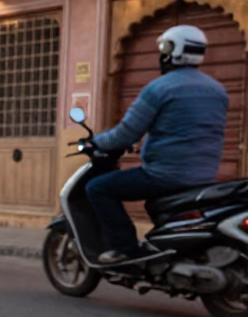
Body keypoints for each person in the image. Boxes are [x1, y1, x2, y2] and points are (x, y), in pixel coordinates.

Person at [86, 25, 229, 264]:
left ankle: (125, 248)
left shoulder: (159, 88)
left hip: (164, 175)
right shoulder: (218, 90)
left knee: (98, 188)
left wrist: (96, 142)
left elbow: (125, 134)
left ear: (171, 51)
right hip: (204, 177)